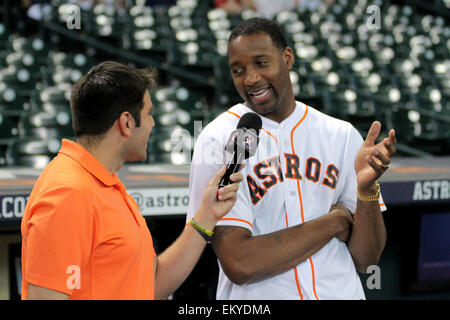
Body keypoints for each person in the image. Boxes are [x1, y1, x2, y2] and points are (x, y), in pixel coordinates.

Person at [186, 17, 397, 300]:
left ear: (287, 58)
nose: (250, 79)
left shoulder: (340, 134)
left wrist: (367, 192)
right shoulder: (218, 140)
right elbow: (241, 263)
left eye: (261, 63)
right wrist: (333, 222)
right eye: (238, 70)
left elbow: (366, 259)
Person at [20, 61, 243, 300]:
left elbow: (151, 283)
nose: (152, 124)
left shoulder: (104, 183)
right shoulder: (68, 192)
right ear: (126, 123)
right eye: (148, 114)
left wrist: (206, 216)